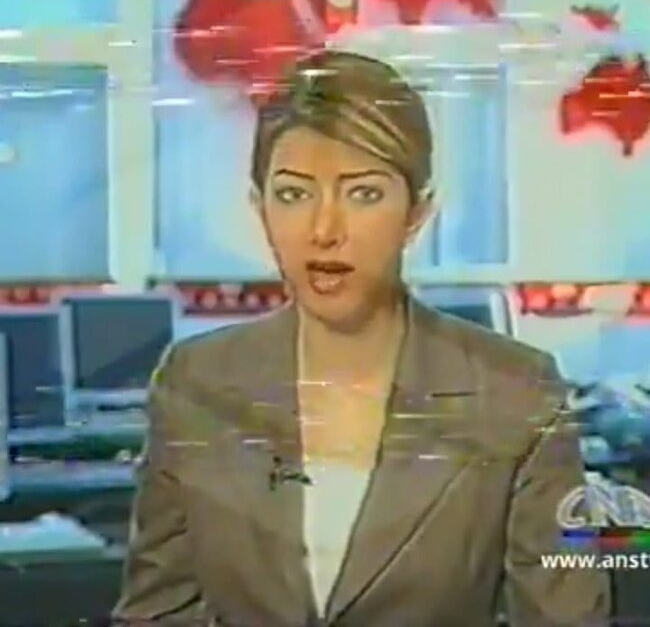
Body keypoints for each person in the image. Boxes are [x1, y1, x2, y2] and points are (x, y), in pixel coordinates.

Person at [112, 50, 610, 626]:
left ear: (416, 213)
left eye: (363, 194)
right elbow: (156, 613)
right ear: (259, 206)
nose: (324, 230)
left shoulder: (517, 393)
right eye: (294, 194)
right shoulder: (195, 385)